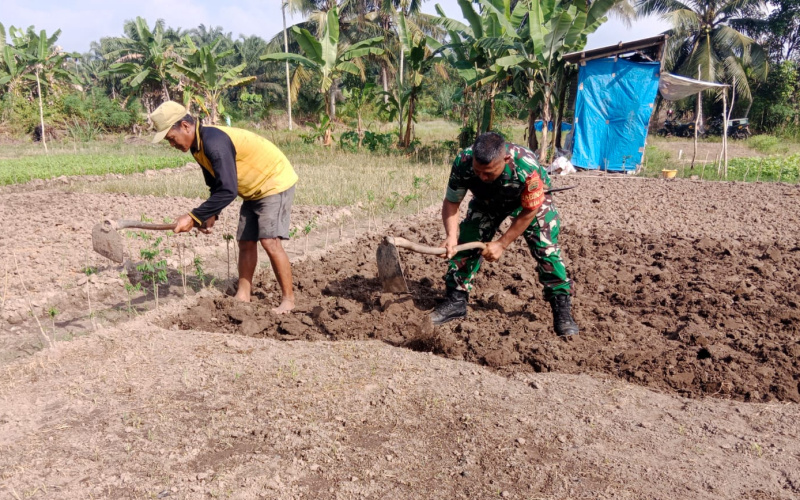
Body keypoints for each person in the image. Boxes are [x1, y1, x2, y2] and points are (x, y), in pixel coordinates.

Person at [150, 101, 298, 314]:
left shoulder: (214, 142)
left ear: (185, 126)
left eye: (171, 139)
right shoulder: (197, 147)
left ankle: (288, 300)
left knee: (269, 241)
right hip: (252, 189)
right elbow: (216, 183)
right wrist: (212, 214)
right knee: (246, 241)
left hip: (273, 181)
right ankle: (243, 294)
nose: (172, 144)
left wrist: (193, 216)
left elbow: (228, 190)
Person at [432, 132, 579, 337]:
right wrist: (451, 236)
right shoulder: (464, 161)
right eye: (478, 171)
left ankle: (562, 311)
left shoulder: (526, 166)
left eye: (489, 173)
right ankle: (456, 300)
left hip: (528, 203)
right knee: (468, 238)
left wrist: (501, 244)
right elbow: (452, 201)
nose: (482, 177)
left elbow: (530, 210)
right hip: (487, 201)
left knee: (546, 249)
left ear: (506, 160)